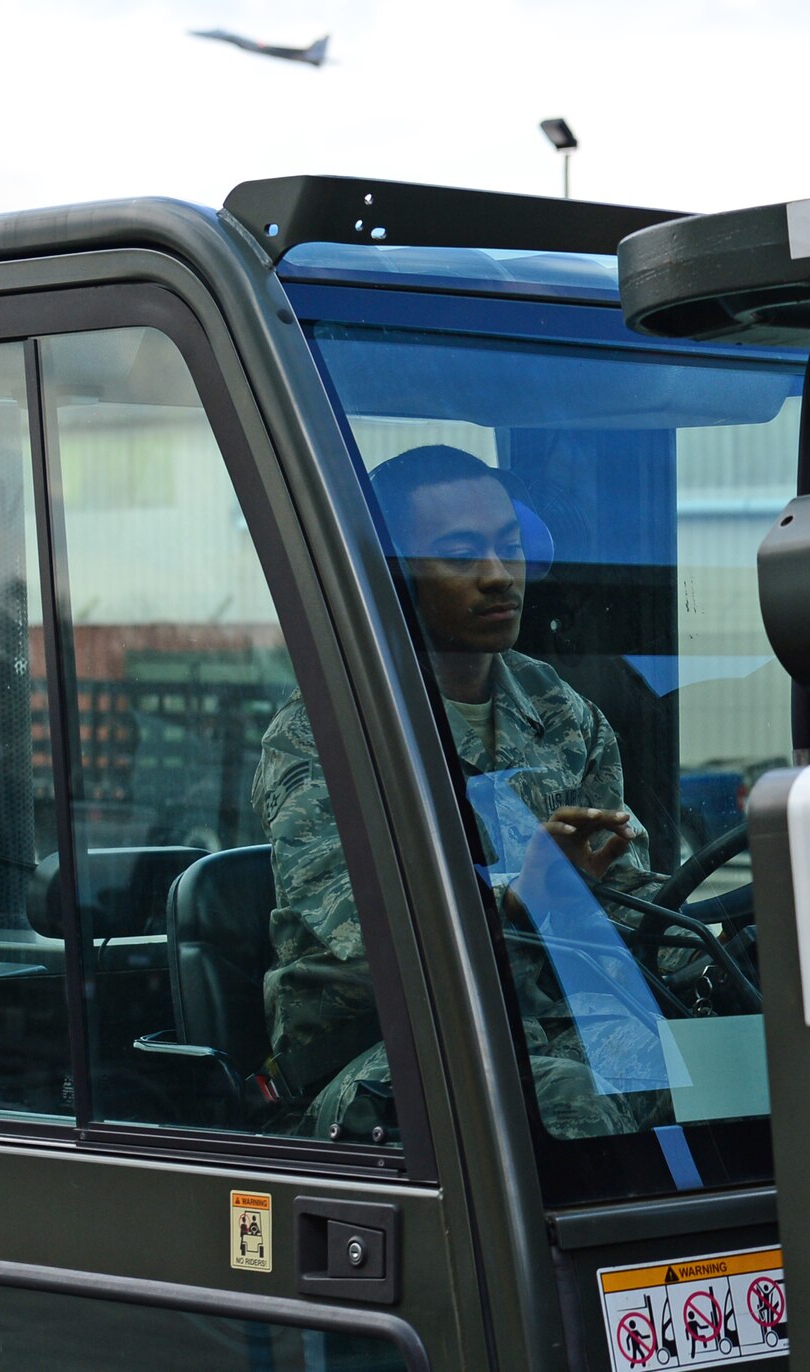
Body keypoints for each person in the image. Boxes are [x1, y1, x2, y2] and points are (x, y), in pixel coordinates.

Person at [253, 444, 673, 1142]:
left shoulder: (561, 709)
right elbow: (370, 938)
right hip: (383, 1051)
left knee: (726, 1069)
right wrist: (520, 899)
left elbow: (630, 900)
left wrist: (747, 930)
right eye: (460, 555)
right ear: (394, 575)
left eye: (510, 548)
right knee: (563, 1097)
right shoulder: (327, 731)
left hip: (545, 1025)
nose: (498, 576)